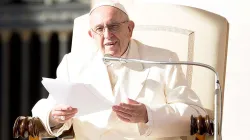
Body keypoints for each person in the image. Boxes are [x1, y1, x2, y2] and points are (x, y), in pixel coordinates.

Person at [32, 1, 205, 140]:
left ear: (129, 28)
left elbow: (195, 114)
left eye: (113, 26)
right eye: (99, 29)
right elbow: (50, 107)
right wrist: (55, 116)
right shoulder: (73, 63)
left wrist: (148, 115)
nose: (107, 35)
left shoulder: (163, 60)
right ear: (91, 35)